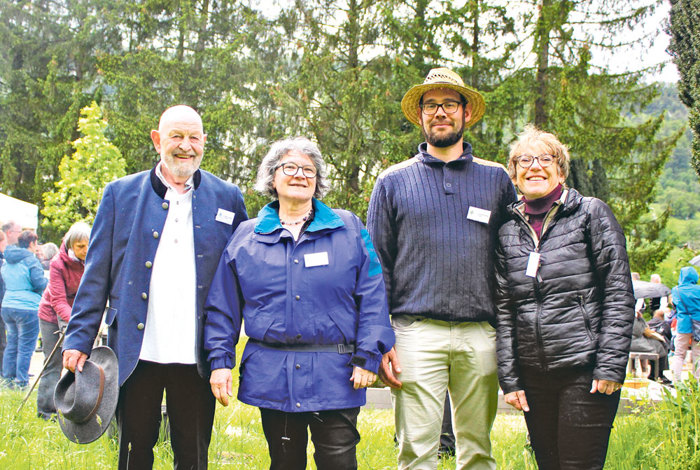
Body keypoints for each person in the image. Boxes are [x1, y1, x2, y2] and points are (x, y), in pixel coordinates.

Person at [62, 105, 248, 469]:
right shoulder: (120, 194)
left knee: (193, 456)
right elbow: (96, 275)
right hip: (136, 352)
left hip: (197, 355)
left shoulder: (227, 197)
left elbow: (239, 277)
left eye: (194, 137)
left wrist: (227, 351)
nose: (185, 146)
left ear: (204, 141)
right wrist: (78, 338)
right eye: (176, 136)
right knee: (133, 453)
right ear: (157, 140)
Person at [205, 137, 394, 470]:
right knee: (284, 462)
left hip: (336, 374)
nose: (299, 175)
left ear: (317, 181)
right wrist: (220, 361)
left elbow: (373, 294)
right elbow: (223, 306)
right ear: (272, 177)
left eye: (308, 169)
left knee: (338, 462)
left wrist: (369, 356)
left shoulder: (348, 228)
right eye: (289, 167)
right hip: (273, 374)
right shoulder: (246, 237)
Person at [367, 67, 517, 469]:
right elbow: (377, 266)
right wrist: (382, 337)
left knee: (478, 449)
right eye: (431, 105)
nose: (440, 112)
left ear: (466, 113)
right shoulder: (392, 181)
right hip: (415, 332)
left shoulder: (496, 179)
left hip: (480, 332)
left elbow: (511, 258)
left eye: (449, 104)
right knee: (416, 450)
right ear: (420, 115)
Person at [495, 125, 635, 469]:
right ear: (514, 176)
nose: (535, 166)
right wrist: (510, 379)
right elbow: (504, 309)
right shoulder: (507, 232)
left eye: (546, 159)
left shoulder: (591, 214)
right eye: (524, 160)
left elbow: (618, 292)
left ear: (560, 171)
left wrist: (610, 364)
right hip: (533, 375)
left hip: (585, 369)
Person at [36, 222, 90, 420]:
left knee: (81, 362)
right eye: (80, 246)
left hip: (77, 315)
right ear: (70, 245)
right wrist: (77, 321)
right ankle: (46, 411)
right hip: (51, 316)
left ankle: (77, 407)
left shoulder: (91, 260)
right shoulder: (58, 263)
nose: (85, 250)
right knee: (53, 363)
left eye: (88, 245)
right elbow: (58, 300)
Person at [1, 230, 48, 389]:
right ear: (31, 243)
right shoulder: (30, 260)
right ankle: (21, 381)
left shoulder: (8, 258)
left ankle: (7, 380)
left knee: (12, 343)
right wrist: (48, 282)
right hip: (27, 307)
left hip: (8, 304)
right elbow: (38, 283)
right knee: (26, 346)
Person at [670, 266, 700, 384]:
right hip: (698, 324)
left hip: (683, 325)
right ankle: (697, 383)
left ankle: (676, 381)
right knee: (698, 355)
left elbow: (675, 305)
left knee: (679, 354)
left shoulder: (676, 290)